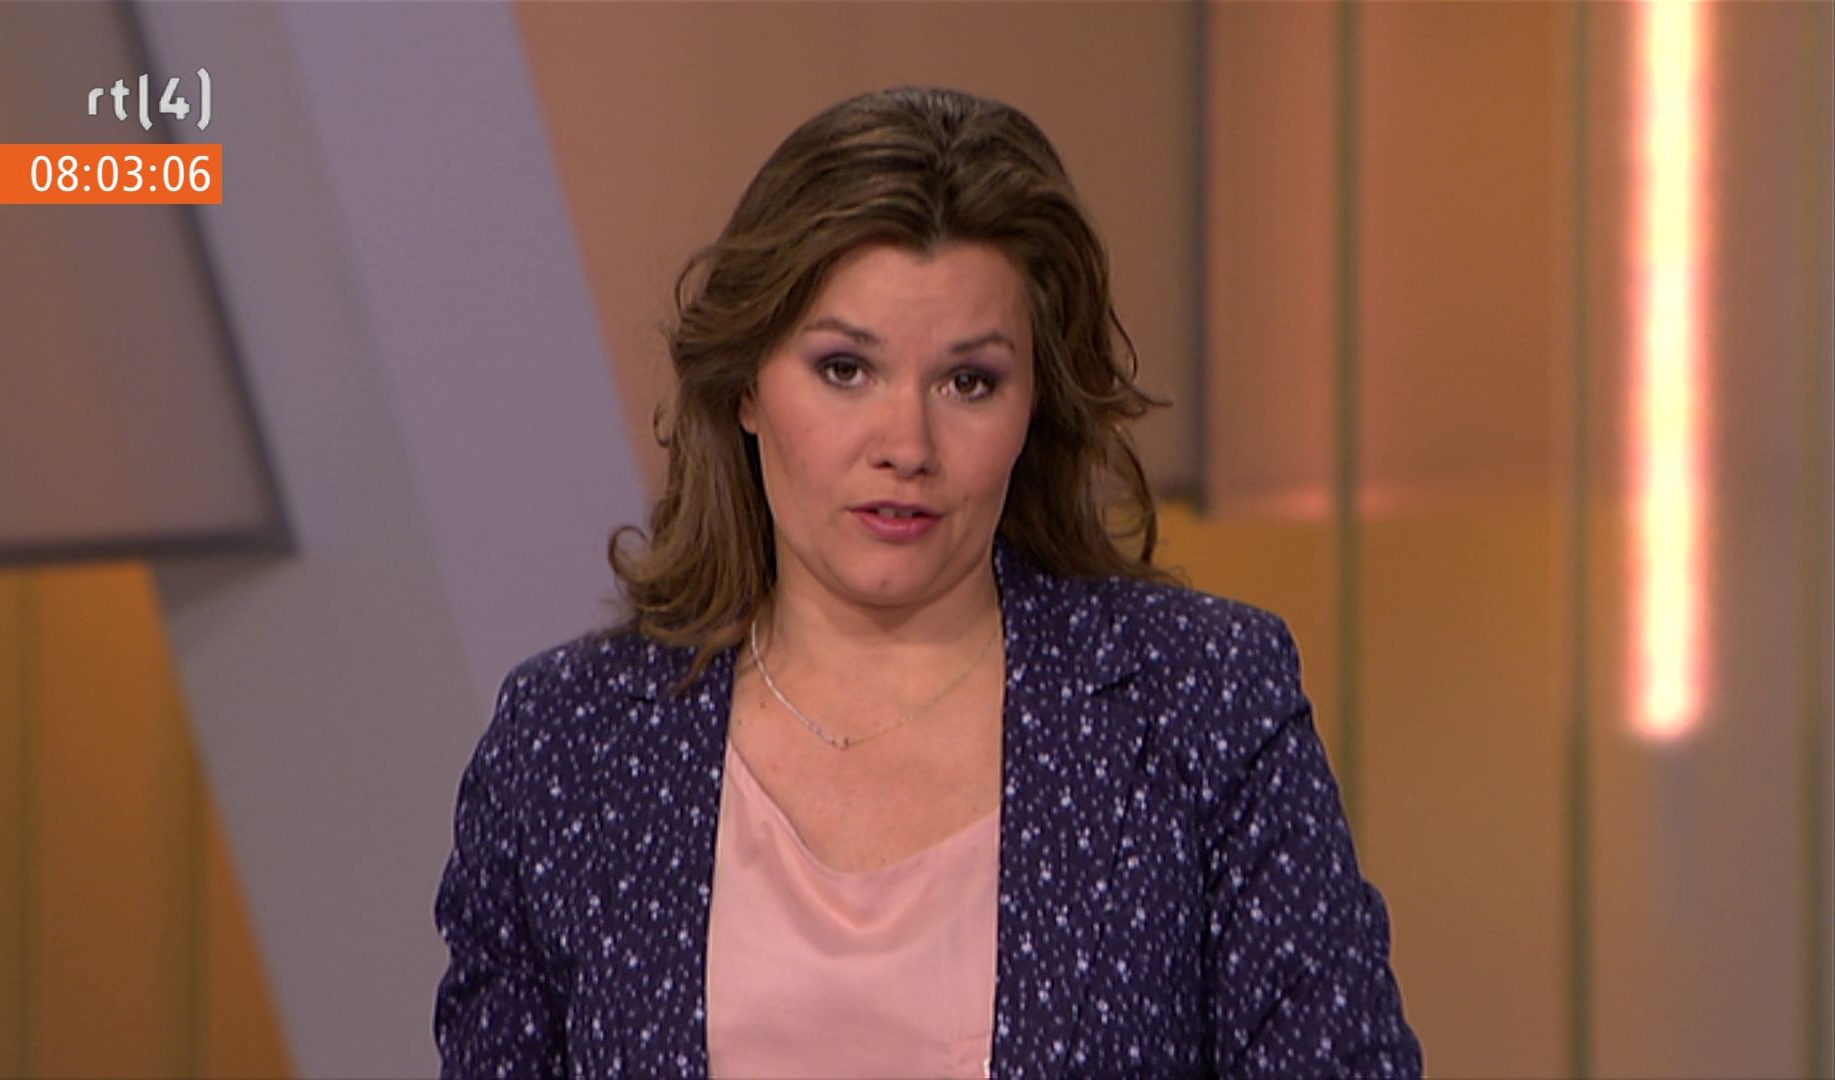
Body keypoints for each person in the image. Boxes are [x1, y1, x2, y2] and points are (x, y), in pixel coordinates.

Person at [435, 86, 1421, 1079]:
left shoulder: (1201, 701)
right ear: (746, 387)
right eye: (845, 370)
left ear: (1035, 408)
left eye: (969, 382)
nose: (906, 445)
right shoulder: (568, 742)